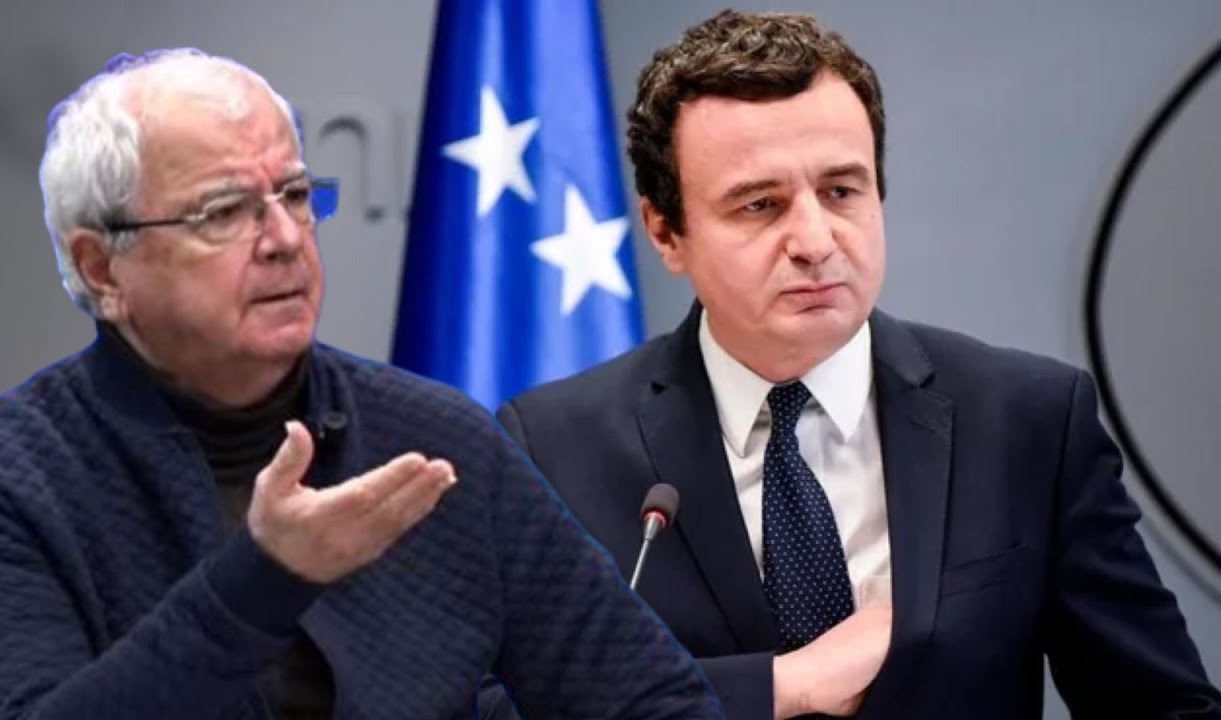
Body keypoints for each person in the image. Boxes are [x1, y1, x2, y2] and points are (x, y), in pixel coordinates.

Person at [495, 10, 1221, 720]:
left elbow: (1167, 706)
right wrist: (779, 688)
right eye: (760, 205)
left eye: (841, 191)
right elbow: (491, 706)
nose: (815, 241)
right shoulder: (555, 447)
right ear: (665, 231)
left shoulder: (1027, 420)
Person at [0, 48, 723, 720]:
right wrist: (262, 581)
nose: (286, 238)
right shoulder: (22, 479)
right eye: (223, 212)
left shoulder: (434, 439)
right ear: (101, 268)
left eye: (294, 194)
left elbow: (653, 700)